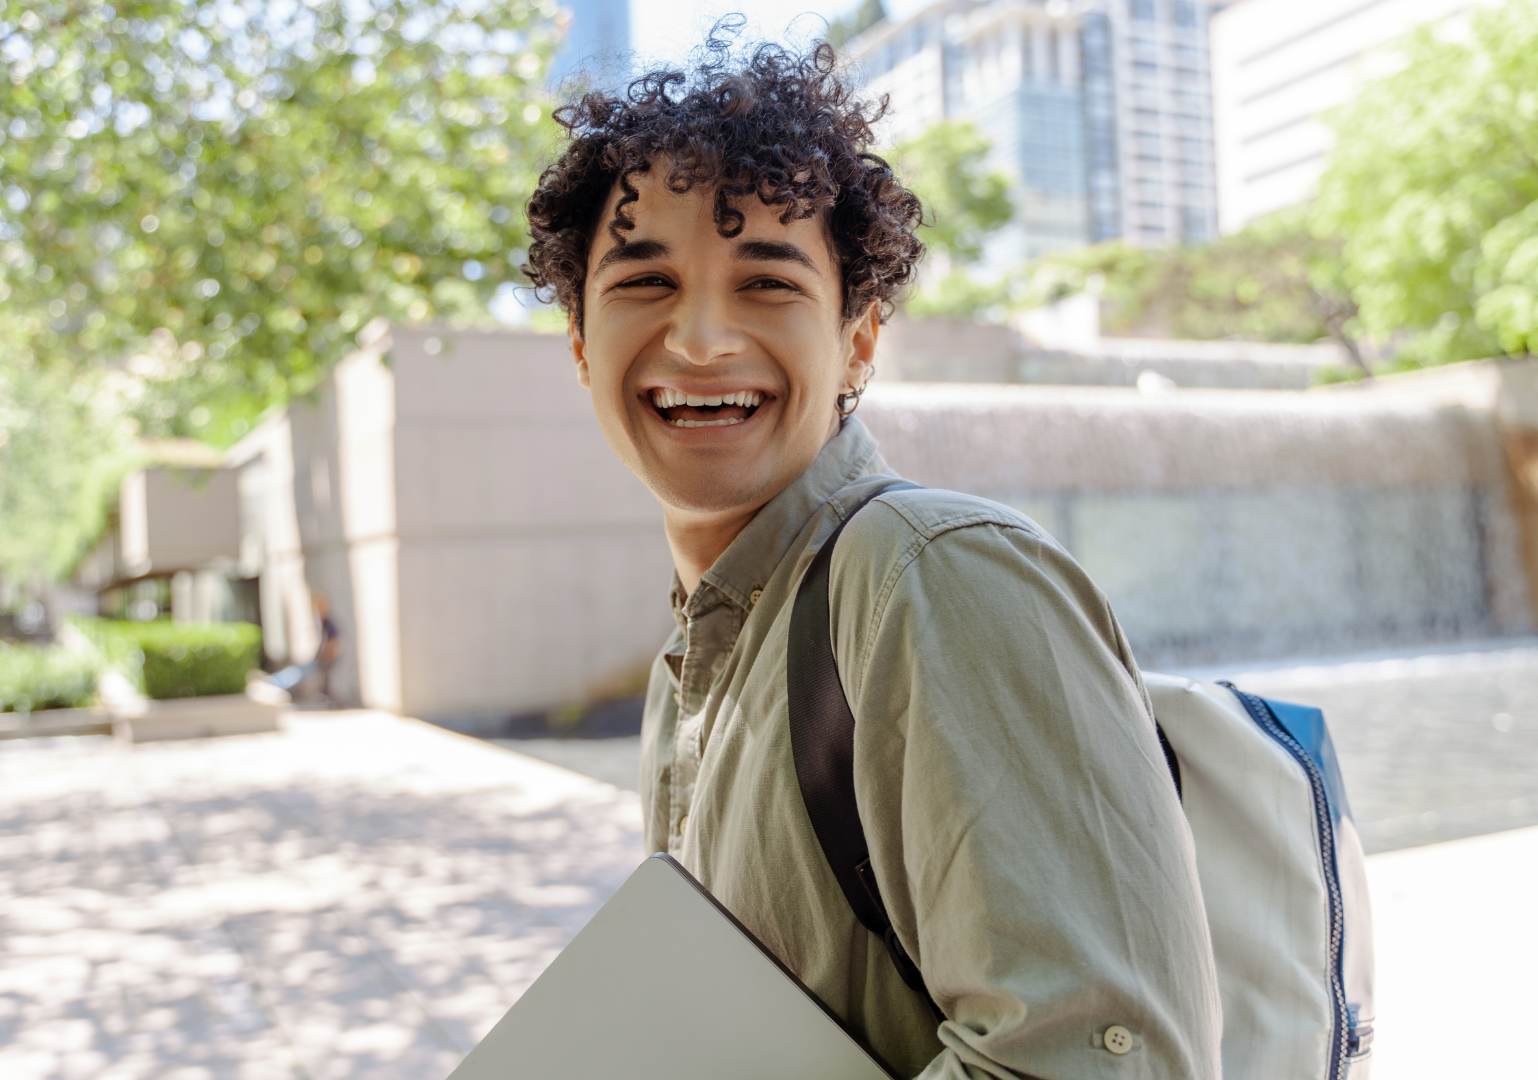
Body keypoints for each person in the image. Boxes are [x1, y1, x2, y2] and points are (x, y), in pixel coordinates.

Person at [522, 33, 1222, 1080]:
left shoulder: (930, 574)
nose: (703, 338)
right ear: (580, 344)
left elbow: (1095, 1062)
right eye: (645, 282)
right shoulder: (699, 658)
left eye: (766, 283)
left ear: (857, 340)